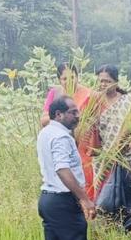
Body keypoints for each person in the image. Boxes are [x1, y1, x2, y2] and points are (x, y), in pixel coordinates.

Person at [80, 65, 131, 233]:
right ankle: (106, 231)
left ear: (116, 82)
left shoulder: (129, 102)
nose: (103, 84)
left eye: (107, 81)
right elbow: (84, 126)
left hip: (126, 158)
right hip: (103, 159)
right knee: (104, 199)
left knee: (126, 197)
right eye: (100, 81)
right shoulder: (93, 103)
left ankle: (127, 231)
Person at [36, 97, 96, 240]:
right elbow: (62, 169)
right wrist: (85, 199)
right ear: (58, 114)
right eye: (73, 112)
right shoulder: (61, 137)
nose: (78, 116)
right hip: (63, 201)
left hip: (48, 200)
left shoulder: (46, 132)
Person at [40, 63, 95, 195]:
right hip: (60, 140)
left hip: (82, 143)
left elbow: (93, 121)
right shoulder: (55, 93)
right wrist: (64, 116)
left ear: (77, 76)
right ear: (59, 80)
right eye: (64, 79)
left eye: (72, 77)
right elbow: (43, 120)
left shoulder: (89, 95)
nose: (69, 82)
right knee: (62, 171)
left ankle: (86, 206)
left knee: (84, 175)